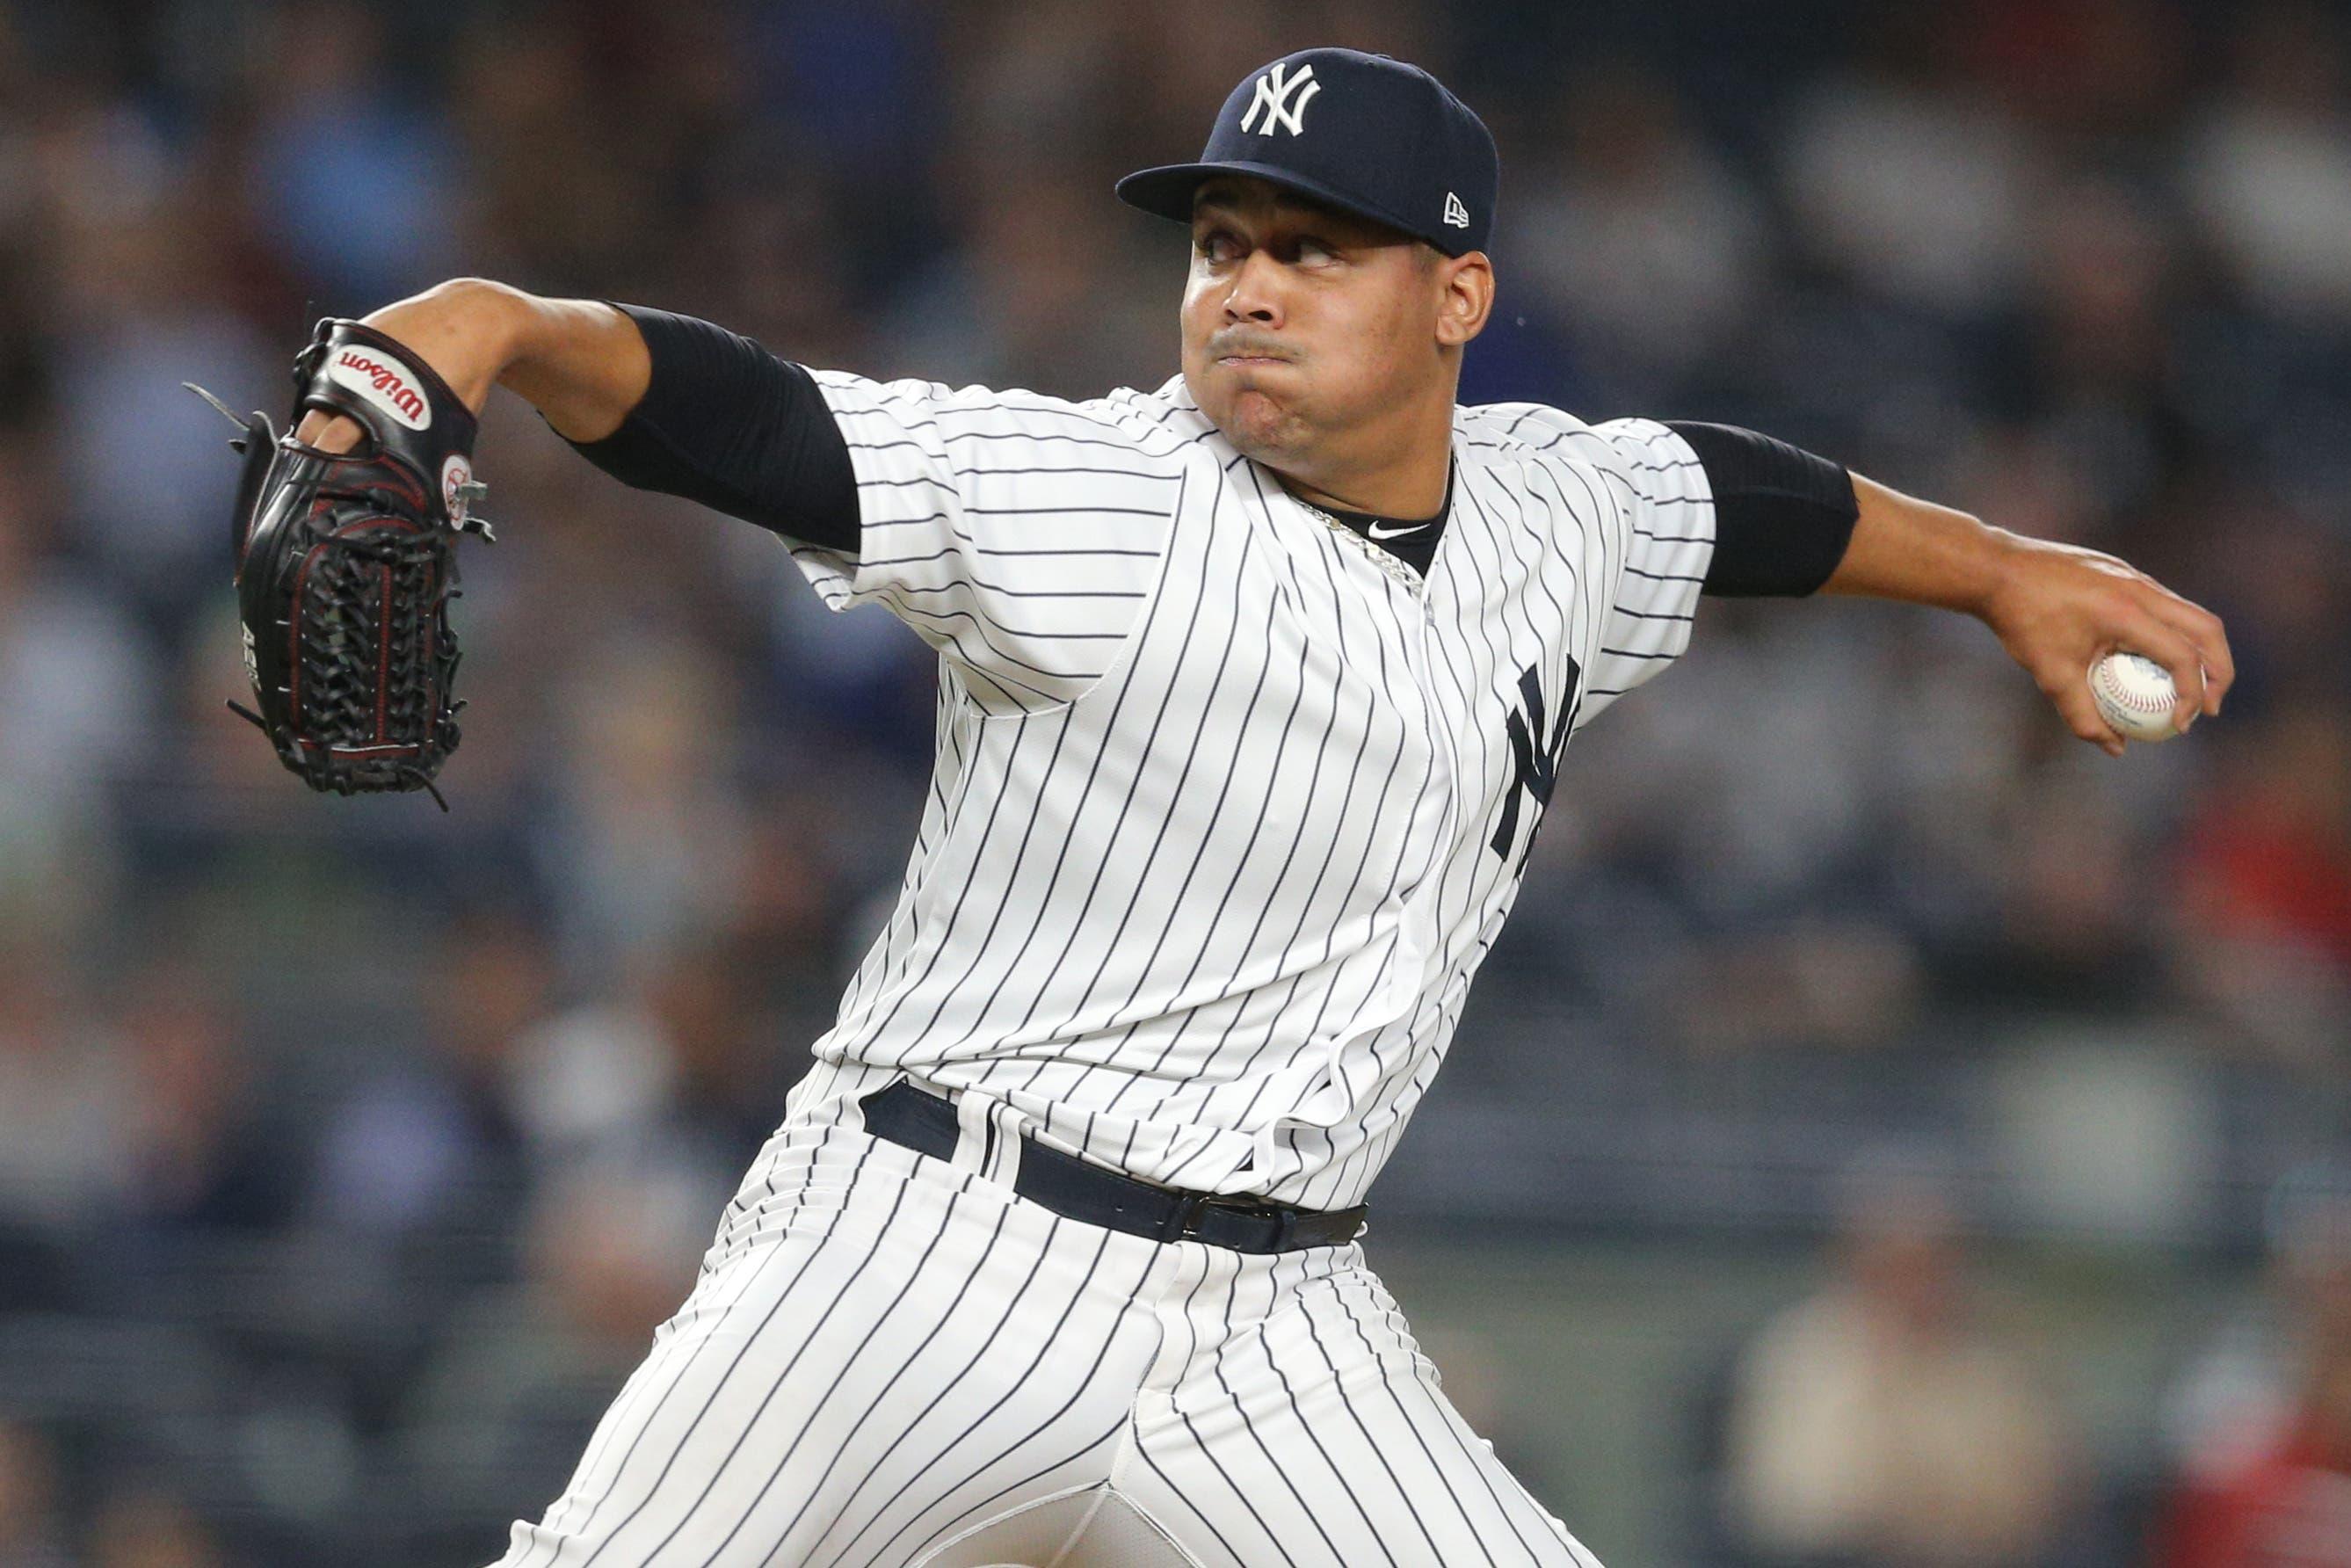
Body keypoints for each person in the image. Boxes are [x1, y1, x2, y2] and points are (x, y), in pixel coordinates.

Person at [291, 47, 2230, 1568]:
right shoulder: (1102, 499)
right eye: (1220, 243)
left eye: (1314, 247)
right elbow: (769, 423)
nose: (1244, 287)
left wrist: (2000, 571)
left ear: (1459, 290)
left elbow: (1742, 503)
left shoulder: (1559, 509)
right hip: (927, 1261)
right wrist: (506, 326)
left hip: (1275, 1323)